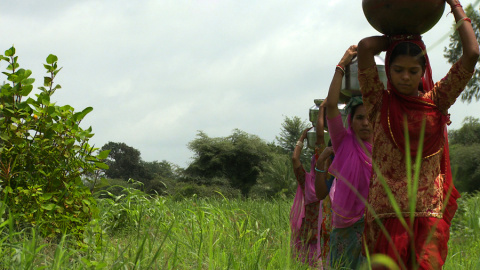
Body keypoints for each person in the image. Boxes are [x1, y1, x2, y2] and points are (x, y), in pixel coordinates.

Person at [356, 0, 479, 268]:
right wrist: (399, 39)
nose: (405, 77)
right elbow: (365, 47)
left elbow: (471, 54)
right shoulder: (378, 103)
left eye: (413, 71)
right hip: (387, 215)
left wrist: (454, 4)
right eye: (398, 70)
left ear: (423, 72)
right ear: (388, 70)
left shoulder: (437, 101)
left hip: (428, 215)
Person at [318, 45, 374, 269]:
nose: (366, 123)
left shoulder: (382, 147)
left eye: (370, 118)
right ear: (351, 120)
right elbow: (331, 105)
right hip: (344, 227)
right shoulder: (343, 142)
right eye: (360, 117)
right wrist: (341, 66)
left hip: (372, 225)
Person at [290, 127, 321, 267]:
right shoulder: (310, 181)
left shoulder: (332, 182)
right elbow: (295, 159)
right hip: (313, 238)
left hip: (319, 238)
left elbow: (295, 158)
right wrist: (302, 138)